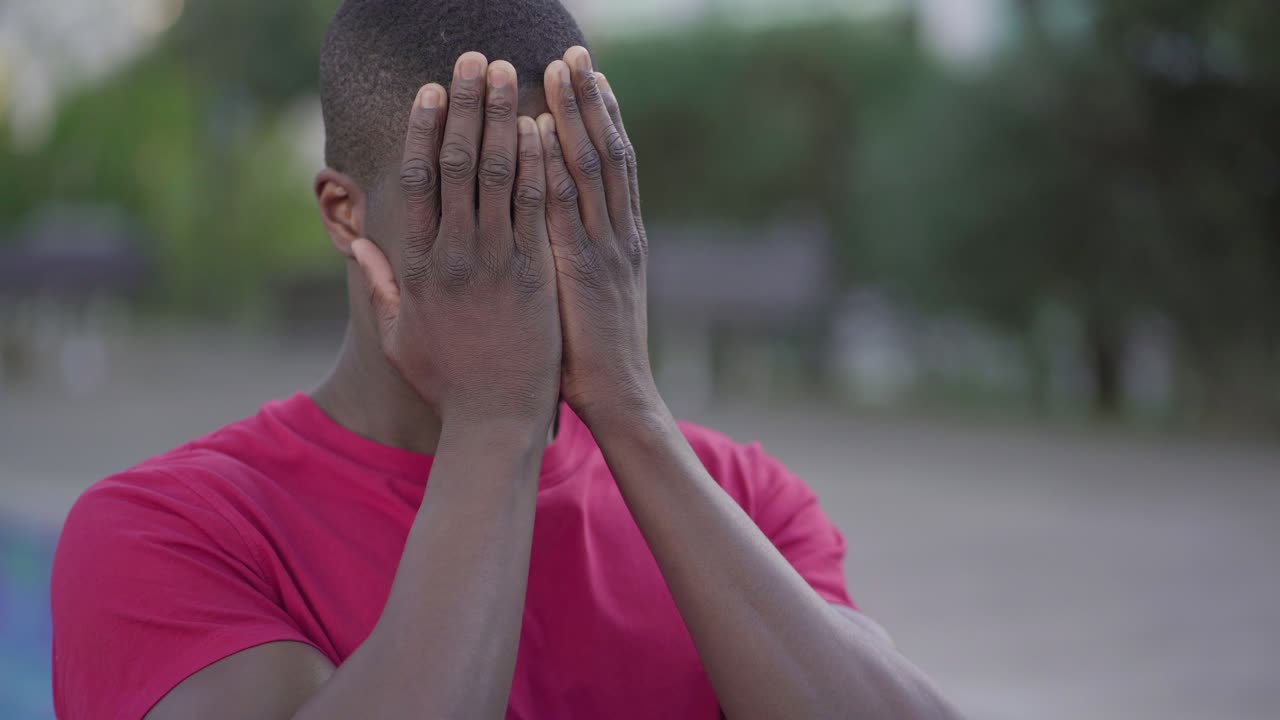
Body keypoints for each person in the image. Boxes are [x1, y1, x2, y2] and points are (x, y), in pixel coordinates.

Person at [50, 1, 961, 718]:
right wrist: (493, 422)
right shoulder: (168, 530)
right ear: (344, 213)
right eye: (477, 195)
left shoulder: (743, 500)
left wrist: (633, 411)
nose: (528, 246)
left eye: (565, 190)